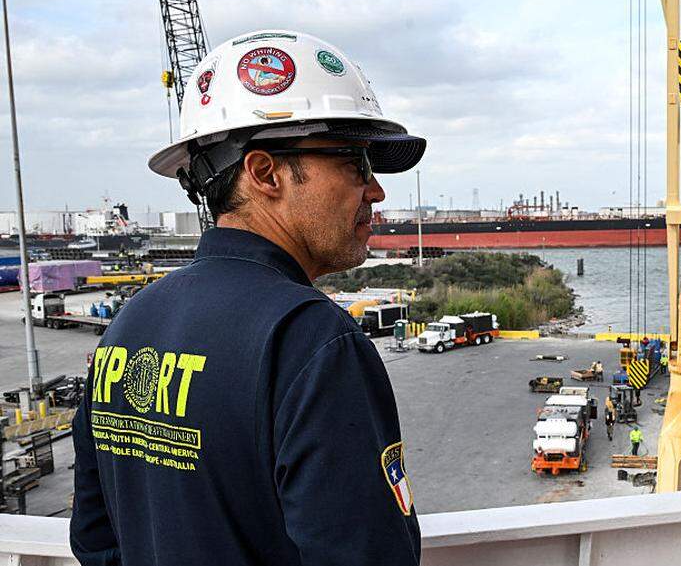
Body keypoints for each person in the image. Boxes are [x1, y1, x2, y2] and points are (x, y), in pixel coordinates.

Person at [70, 30, 426, 566]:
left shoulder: (131, 322)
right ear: (265, 173)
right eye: (354, 162)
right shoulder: (310, 340)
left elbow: (96, 540)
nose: (375, 190)